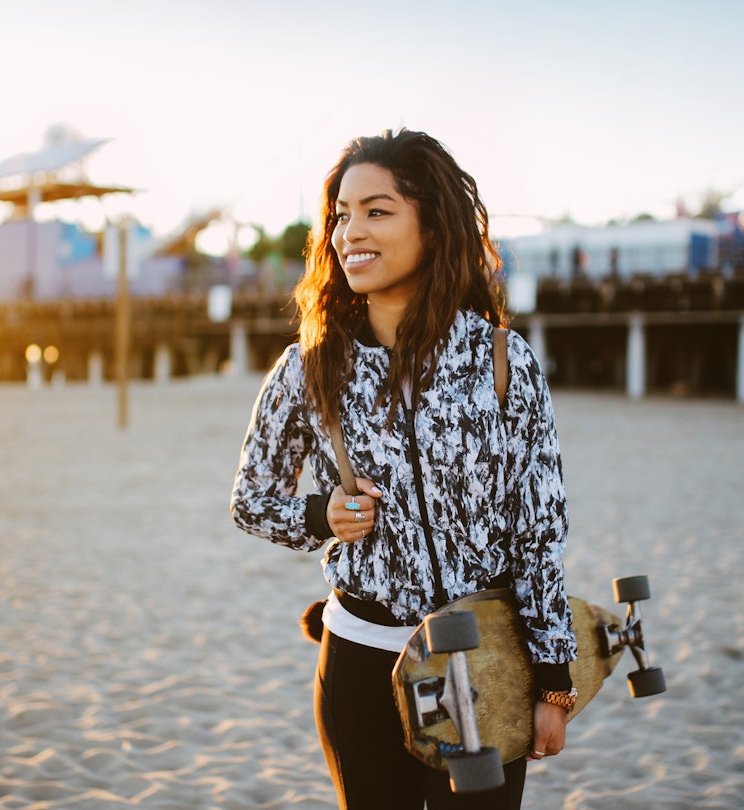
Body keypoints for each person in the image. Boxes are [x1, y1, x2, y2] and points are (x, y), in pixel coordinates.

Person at [230, 129, 576, 810]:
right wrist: (317, 514)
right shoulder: (312, 365)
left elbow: (541, 534)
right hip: (360, 663)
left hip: (484, 665)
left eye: (377, 211)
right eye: (340, 215)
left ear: (434, 223)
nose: (350, 231)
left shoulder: (503, 363)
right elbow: (251, 498)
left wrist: (553, 680)